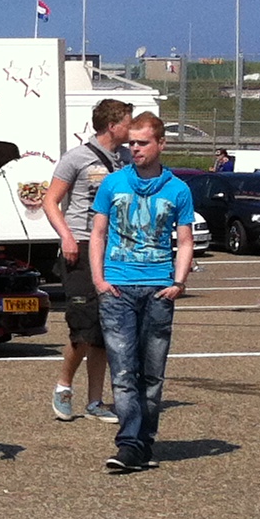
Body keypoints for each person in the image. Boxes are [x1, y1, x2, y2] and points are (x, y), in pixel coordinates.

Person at [87, 114, 195, 475]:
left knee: (151, 373)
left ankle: (143, 443)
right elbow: (98, 234)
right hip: (117, 288)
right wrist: (99, 281)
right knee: (122, 371)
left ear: (161, 144)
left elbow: (184, 240)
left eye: (143, 142)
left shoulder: (177, 189)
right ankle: (129, 444)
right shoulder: (113, 183)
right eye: (131, 142)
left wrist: (177, 283)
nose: (134, 149)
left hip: (158, 289)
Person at [41, 98, 133, 423]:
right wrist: (66, 236)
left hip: (113, 249)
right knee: (83, 324)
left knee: (107, 328)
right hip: (79, 246)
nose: (132, 129)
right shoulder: (77, 158)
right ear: (112, 125)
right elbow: (50, 201)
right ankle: (64, 386)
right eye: (128, 123)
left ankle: (96, 401)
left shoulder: (127, 160)